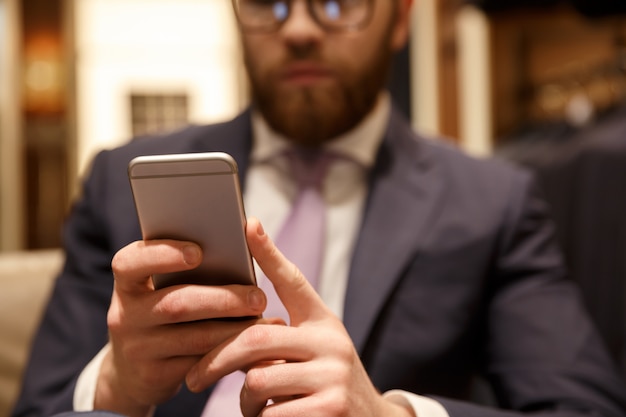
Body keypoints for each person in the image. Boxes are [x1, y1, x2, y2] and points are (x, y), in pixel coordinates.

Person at [11, 0, 626, 416]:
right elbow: (41, 405)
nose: (299, 28)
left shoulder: (493, 202)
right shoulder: (120, 183)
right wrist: (116, 387)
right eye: (268, 2)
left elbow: (585, 407)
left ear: (402, 18)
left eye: (337, 1)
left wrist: (390, 415)